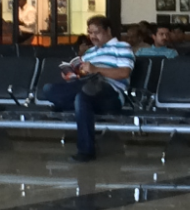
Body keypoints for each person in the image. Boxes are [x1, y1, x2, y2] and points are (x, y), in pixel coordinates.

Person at [40, 14, 131, 162]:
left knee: (82, 96)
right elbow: (84, 74)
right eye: (90, 32)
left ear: (108, 30)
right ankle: (79, 106)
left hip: (110, 92)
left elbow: (124, 72)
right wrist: (72, 74)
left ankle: (86, 151)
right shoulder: (90, 52)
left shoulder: (122, 47)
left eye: (97, 32)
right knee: (49, 90)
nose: (93, 36)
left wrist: (96, 70)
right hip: (87, 88)